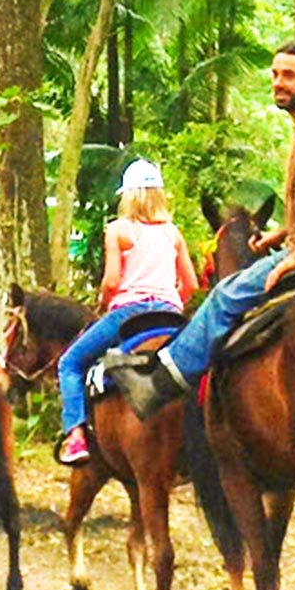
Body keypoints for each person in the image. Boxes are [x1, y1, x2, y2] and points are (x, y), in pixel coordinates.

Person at [103, 44, 295, 419]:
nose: (278, 83)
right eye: (275, 74)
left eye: (289, 76)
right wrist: (282, 234)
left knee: (223, 297)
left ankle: (161, 382)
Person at [53, 161, 197, 465]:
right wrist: (172, 303)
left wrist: (105, 304)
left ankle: (76, 436)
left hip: (129, 315)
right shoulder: (173, 234)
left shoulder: (119, 230)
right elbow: (191, 283)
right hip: (170, 315)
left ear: (127, 196)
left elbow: (112, 281)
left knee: (70, 363)